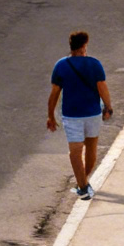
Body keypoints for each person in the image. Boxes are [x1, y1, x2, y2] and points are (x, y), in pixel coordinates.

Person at [47, 31, 112, 199]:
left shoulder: (61, 65)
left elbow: (54, 93)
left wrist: (51, 116)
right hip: (93, 113)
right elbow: (102, 87)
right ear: (84, 46)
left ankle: (83, 186)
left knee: (75, 152)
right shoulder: (94, 64)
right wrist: (108, 107)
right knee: (91, 149)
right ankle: (83, 184)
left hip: (71, 115)